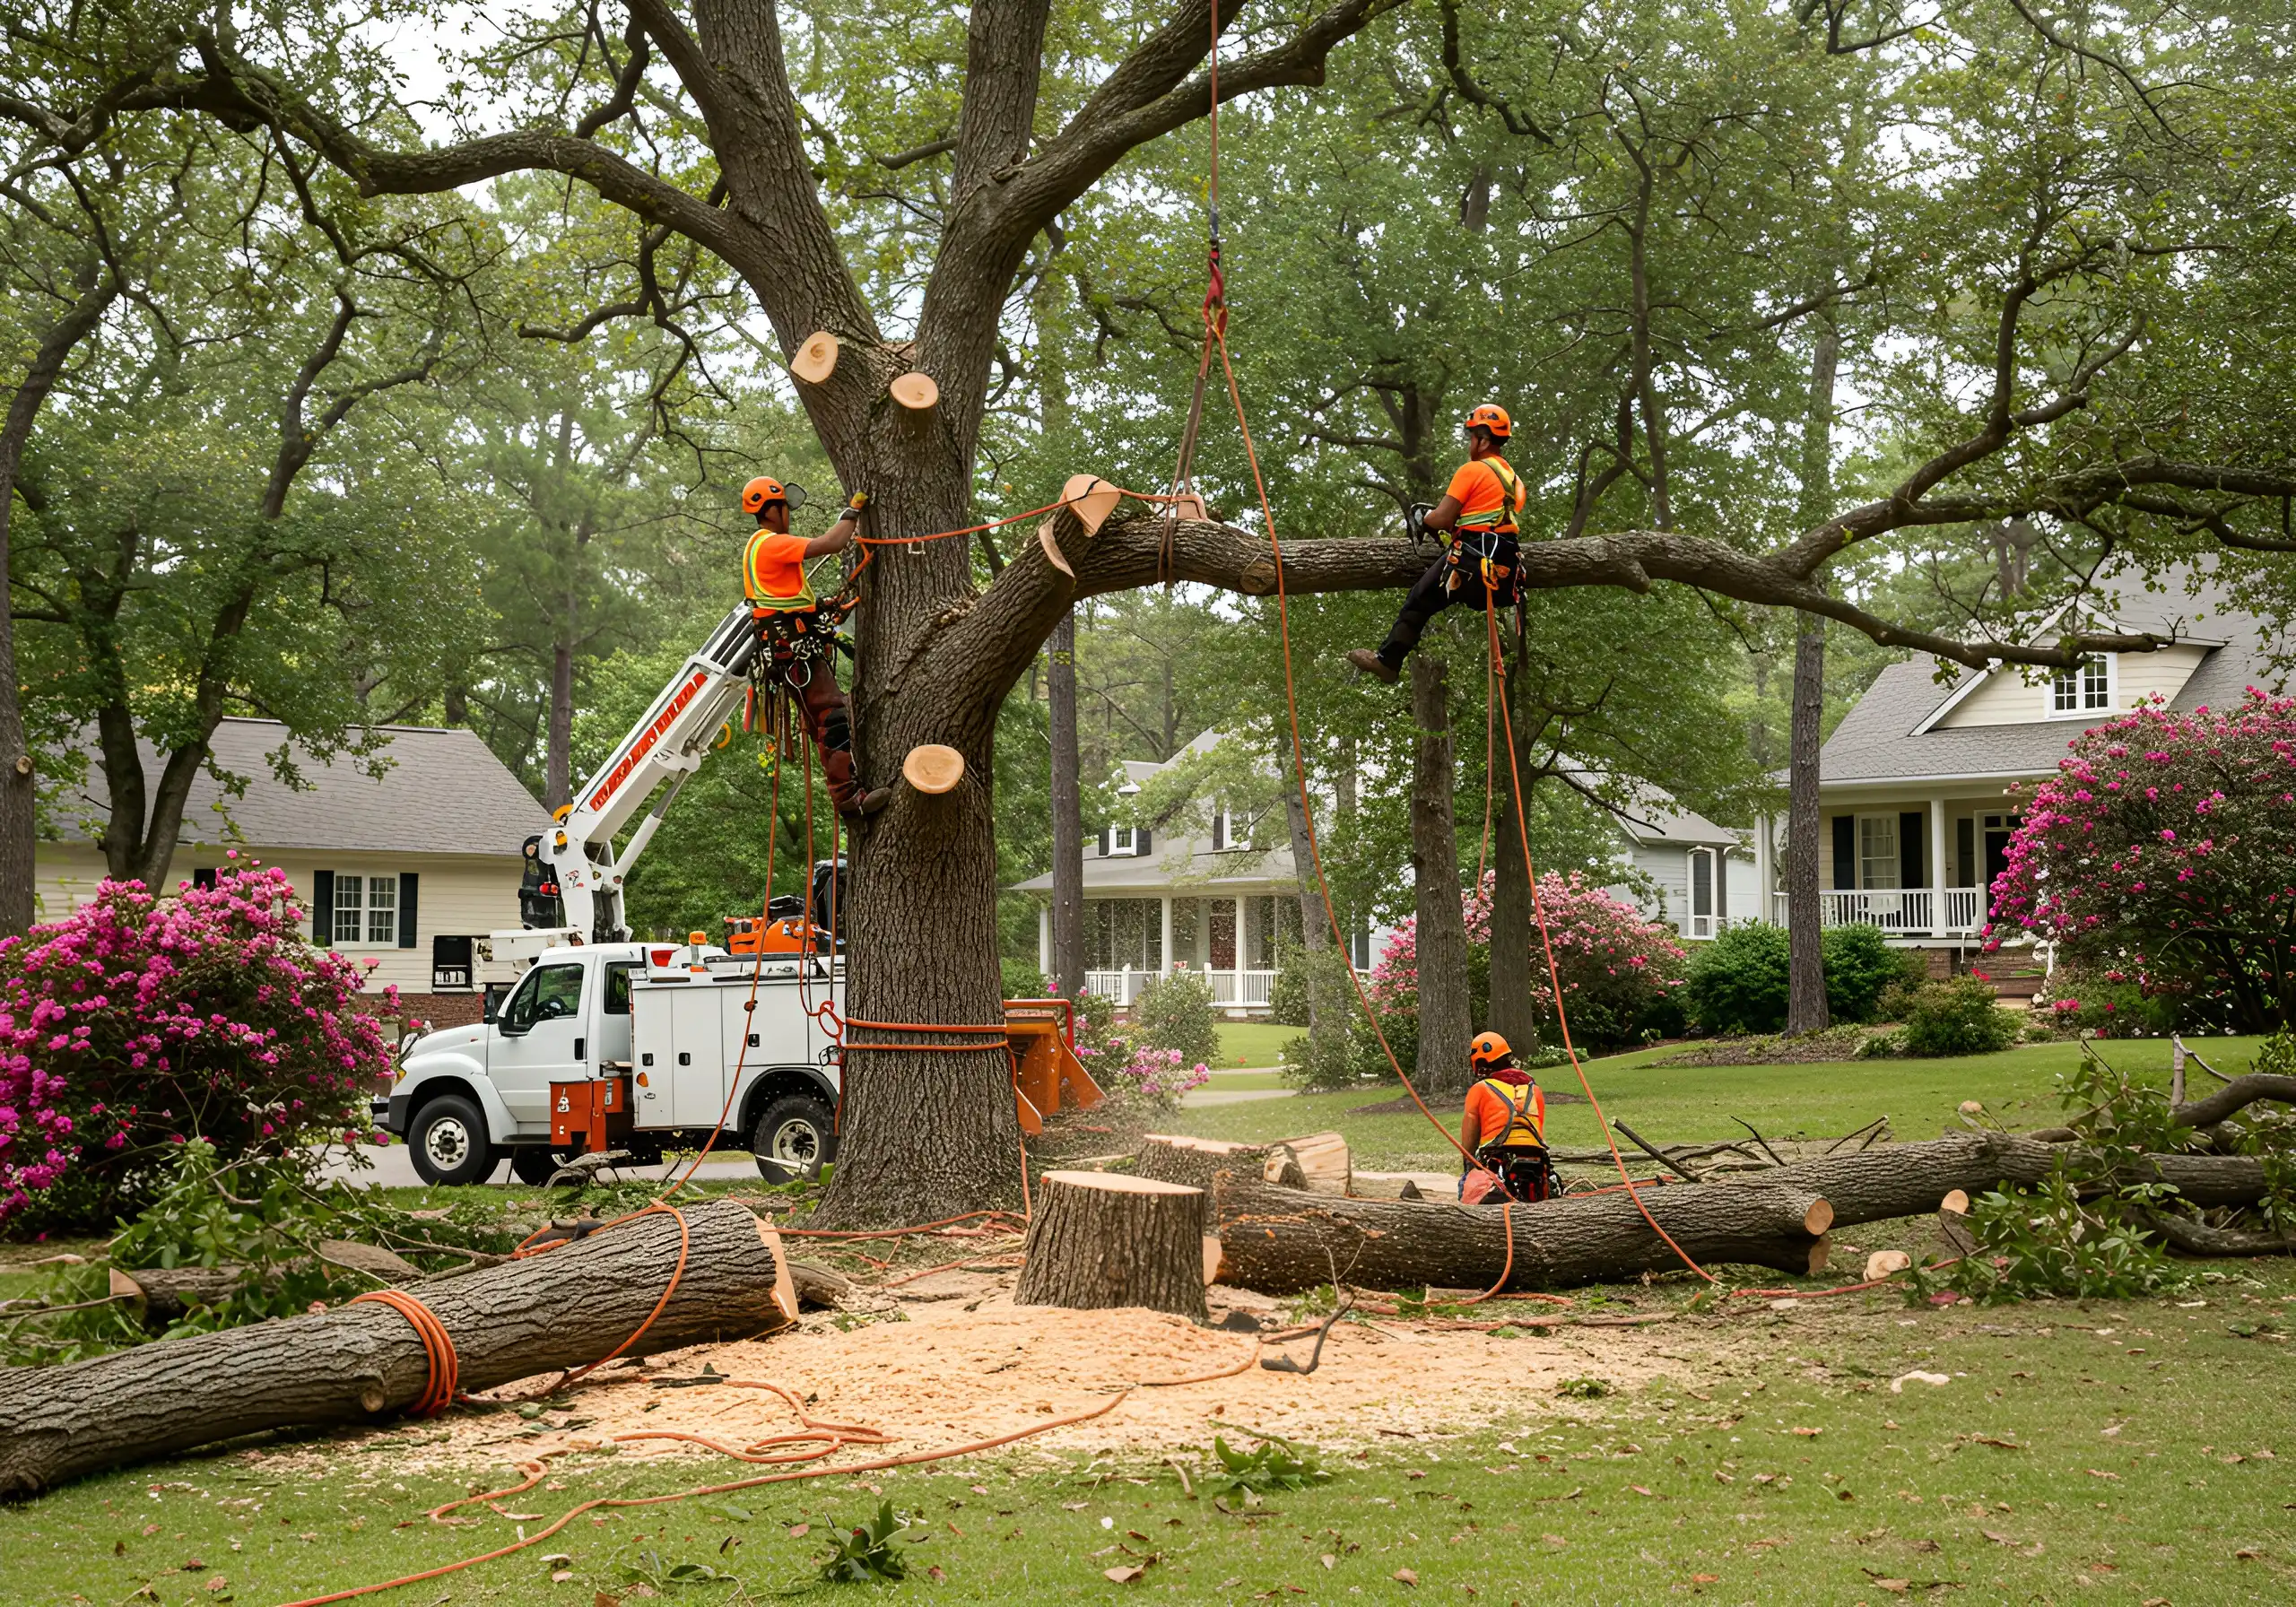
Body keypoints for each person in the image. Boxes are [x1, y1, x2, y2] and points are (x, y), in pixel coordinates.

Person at [742, 475, 891, 820]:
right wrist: (852, 510)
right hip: (792, 650)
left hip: (788, 645)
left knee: (823, 720)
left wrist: (821, 606)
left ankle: (848, 793)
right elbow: (833, 543)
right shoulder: (771, 543)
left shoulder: (756, 547)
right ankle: (849, 798)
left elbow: (783, 600)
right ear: (774, 509)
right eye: (785, 508)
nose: (788, 516)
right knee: (833, 716)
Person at [1346, 404, 1527, 683]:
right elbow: (1488, 518)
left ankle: (1388, 661)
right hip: (1504, 566)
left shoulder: (1472, 470)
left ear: (1484, 440)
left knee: (1418, 602)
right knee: (1431, 598)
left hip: (1471, 560)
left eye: (1472, 438)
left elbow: (1442, 518)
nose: (1470, 444)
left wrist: (1424, 518)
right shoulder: (1514, 481)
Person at [1457, 1030, 1554, 1204]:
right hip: (1536, 1159)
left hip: (1498, 1159)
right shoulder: (1534, 1089)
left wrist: (1469, 1162)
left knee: (1465, 1183)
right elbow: (1539, 1129)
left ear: (1480, 1061)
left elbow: (1469, 1140)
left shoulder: (1480, 1089)